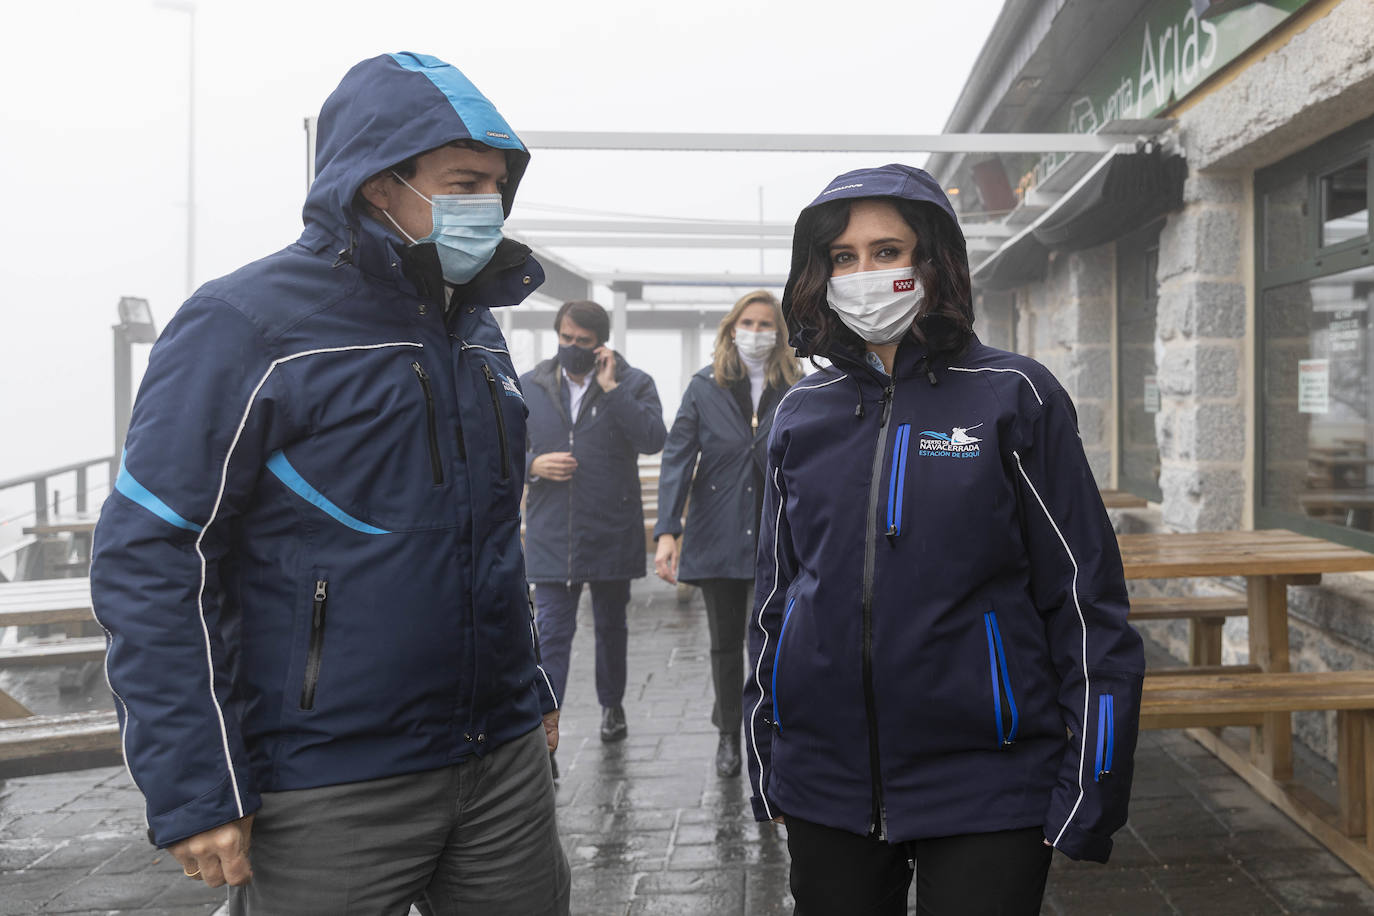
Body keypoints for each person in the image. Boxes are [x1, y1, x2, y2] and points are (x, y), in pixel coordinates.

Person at [89, 53, 570, 915]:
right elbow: (152, 550)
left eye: (498, 187)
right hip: (329, 782)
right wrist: (197, 783)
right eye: (463, 183)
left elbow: (491, 534)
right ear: (378, 183)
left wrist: (527, 690)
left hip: (500, 768)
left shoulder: (478, 333)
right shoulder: (245, 323)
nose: (487, 208)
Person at [743, 164, 1144, 915]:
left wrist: (1092, 785)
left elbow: (1086, 601)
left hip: (987, 782)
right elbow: (774, 598)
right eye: (843, 257)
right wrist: (768, 758)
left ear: (933, 262)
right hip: (828, 781)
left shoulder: (1014, 397)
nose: (864, 273)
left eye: (887, 251)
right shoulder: (800, 414)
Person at [653, 291, 802, 778]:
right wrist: (668, 531)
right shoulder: (704, 387)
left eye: (766, 324)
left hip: (776, 539)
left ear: (779, 334)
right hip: (716, 532)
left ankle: (769, 729)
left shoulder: (796, 387)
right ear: (731, 327)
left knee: (771, 640)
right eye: (748, 323)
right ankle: (727, 736)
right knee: (723, 643)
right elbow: (677, 458)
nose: (756, 332)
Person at [521, 300, 667, 765]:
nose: (572, 348)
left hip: (611, 532)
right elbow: (498, 449)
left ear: (599, 342)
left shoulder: (634, 382)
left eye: (582, 342)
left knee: (611, 629)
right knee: (552, 636)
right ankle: (549, 724)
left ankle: (612, 707)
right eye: (566, 338)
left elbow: (652, 440)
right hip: (552, 537)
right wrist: (532, 465)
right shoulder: (530, 386)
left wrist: (613, 389)